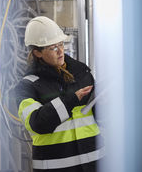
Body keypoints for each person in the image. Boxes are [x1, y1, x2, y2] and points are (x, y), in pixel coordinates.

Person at [14, 16, 104, 172]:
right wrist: (72, 100)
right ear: (37, 53)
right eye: (53, 47)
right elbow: (37, 123)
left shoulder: (82, 73)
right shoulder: (27, 86)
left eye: (61, 44)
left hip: (95, 164)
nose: (61, 51)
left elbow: (99, 119)